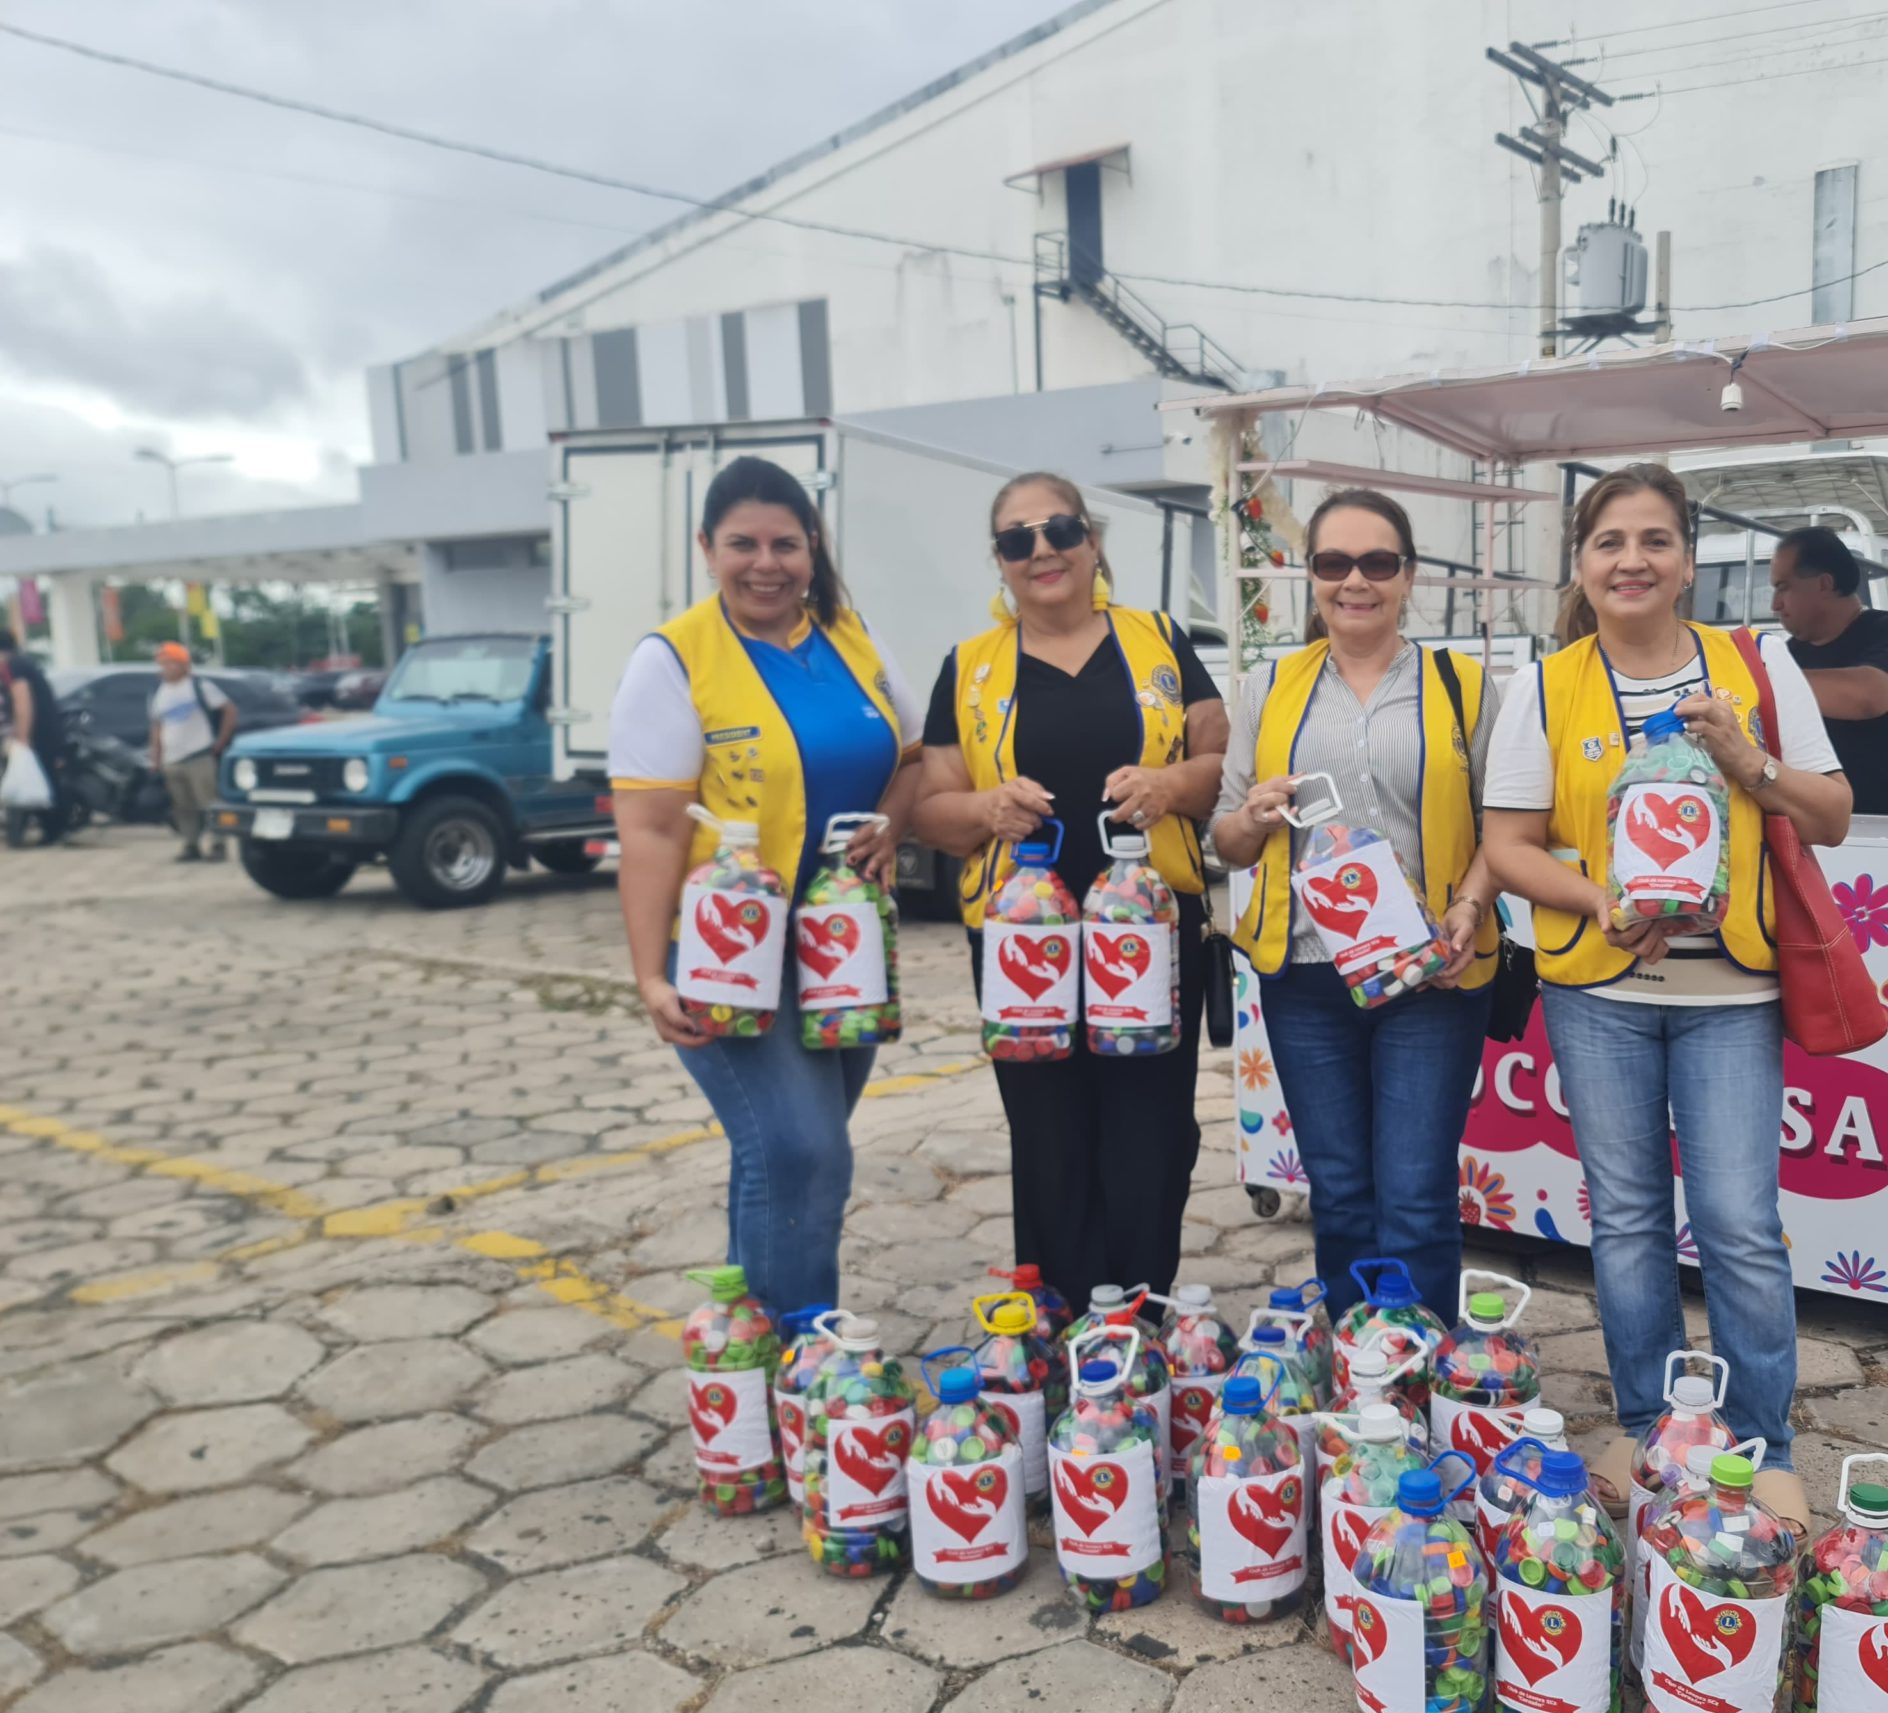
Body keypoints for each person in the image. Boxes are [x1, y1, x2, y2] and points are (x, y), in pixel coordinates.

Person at [1481, 462, 1850, 1532]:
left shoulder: (1758, 665)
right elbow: (1508, 847)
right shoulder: (1548, 686)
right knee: (1630, 1219)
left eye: (1653, 541)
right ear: (1581, 565)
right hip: (1598, 988)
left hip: (1729, 989)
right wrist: (1595, 899)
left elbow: (1828, 814)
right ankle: (1655, 1429)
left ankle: (1763, 1444)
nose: (1630, 561)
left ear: (1688, 560)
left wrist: (1747, 757)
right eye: (1609, 543)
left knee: (1737, 1222)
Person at [607, 456, 925, 1319]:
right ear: (707, 548)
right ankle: (806, 1369)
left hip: (842, 946)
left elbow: (916, 757)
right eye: (742, 543)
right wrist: (648, 973)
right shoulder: (674, 659)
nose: (766, 563)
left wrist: (893, 821)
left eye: (786, 543)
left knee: (781, 1158)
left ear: (812, 550)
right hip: (728, 954)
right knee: (803, 1154)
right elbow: (650, 829)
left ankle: (746, 1374)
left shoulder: (850, 640)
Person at [910, 472, 1227, 1317]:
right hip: (1025, 940)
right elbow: (930, 810)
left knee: (1153, 1129)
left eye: (1059, 531)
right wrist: (985, 806)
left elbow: (1219, 766)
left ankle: (1142, 1315)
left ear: (1093, 542)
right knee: (1048, 1131)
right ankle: (1058, 1321)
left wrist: (1168, 784)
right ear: (1001, 563)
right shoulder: (970, 668)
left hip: (1151, 930)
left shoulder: (1159, 640)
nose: (1041, 550)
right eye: (1018, 540)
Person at [1209, 488, 1500, 1324]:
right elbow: (1225, 839)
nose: (1355, 582)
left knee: (1413, 1197)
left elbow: (1512, 826)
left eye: (1378, 562)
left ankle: (1421, 1374)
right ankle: (1356, 1376)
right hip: (1305, 977)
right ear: (1312, 578)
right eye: (1334, 563)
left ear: (1409, 576)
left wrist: (1472, 905)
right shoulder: (1270, 687)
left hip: (1431, 975)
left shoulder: (1465, 688)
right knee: (1338, 1193)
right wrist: (1253, 816)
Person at [1769, 524, 1888, 816]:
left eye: (1783, 587)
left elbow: (1867, 697)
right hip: (1821, 829)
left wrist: (1763, 677)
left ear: (1824, 584)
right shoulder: (1788, 655)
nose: (1775, 604)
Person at [149, 643, 236, 861]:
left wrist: (220, 741)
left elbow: (229, 710)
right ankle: (191, 844)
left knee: (209, 802)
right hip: (173, 759)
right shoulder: (160, 693)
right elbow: (157, 727)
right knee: (183, 806)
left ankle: (218, 844)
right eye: (162, 664)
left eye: (170, 663)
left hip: (199, 755)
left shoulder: (199, 686)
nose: (165, 669)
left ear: (183, 665)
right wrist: (156, 759)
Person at [0, 629, 69, 844]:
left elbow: (23, 701)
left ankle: (54, 830)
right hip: (46, 729)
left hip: (39, 732)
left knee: (43, 780)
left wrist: (23, 737)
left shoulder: (13, 666)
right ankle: (51, 830)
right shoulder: (21, 663)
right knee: (42, 779)